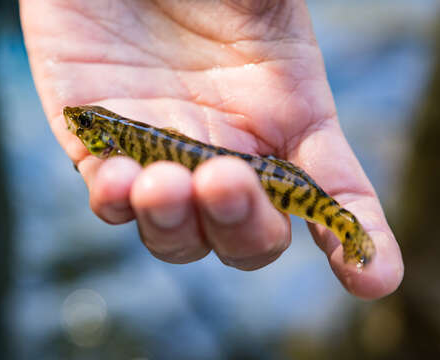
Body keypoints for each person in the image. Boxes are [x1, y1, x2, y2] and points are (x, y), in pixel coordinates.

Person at [20, 0, 403, 299]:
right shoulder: (117, 140)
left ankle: (348, 229)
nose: (77, 122)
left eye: (86, 124)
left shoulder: (114, 143)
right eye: (86, 123)